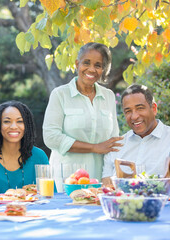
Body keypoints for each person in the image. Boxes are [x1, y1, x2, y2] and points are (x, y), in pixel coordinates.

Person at [43, 42, 122, 191]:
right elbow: (51, 137)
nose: (91, 69)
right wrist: (94, 148)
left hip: (99, 180)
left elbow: (113, 143)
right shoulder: (60, 94)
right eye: (87, 63)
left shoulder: (109, 96)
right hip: (67, 180)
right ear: (77, 64)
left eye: (98, 65)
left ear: (103, 69)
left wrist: (108, 176)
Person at [102, 84, 170, 185]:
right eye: (128, 111)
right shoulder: (116, 146)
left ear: (154, 108)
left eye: (140, 108)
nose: (134, 116)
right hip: (124, 201)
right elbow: (107, 185)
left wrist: (139, 186)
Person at [0, 101, 49, 195]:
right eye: (7, 121)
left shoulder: (39, 156)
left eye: (20, 121)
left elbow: (50, 197)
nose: (14, 126)